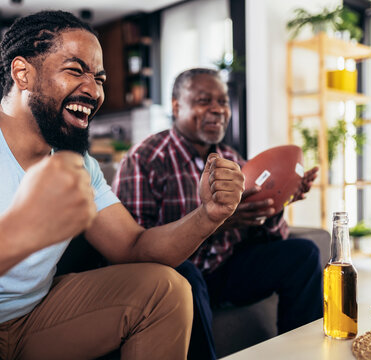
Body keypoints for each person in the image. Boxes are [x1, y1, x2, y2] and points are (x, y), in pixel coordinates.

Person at [0, 13, 246, 360]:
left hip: (36, 319)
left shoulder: (79, 164)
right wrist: (18, 232)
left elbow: (133, 247)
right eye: (75, 71)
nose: (94, 91)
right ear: (23, 74)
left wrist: (208, 215)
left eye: (99, 79)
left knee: (167, 288)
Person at [113, 68, 323, 360]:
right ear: (176, 106)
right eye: (204, 100)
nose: (218, 109)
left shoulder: (233, 160)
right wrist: (216, 223)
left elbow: (270, 238)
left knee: (304, 253)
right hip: (178, 275)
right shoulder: (145, 159)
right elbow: (135, 250)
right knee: (187, 275)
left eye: (223, 102)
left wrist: (277, 203)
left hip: (225, 270)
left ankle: (301, 354)